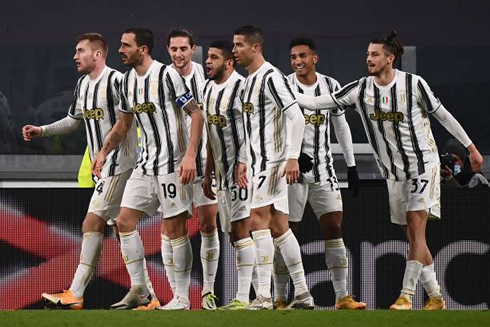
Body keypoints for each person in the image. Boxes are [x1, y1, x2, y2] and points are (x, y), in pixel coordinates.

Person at [294, 31, 483, 310]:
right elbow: (316, 103)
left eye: (375, 54)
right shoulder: (360, 89)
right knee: (411, 233)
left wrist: (471, 147)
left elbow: (442, 115)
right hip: (394, 173)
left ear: (390, 58)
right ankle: (436, 297)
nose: (368, 59)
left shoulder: (413, 84)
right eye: (368, 54)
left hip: (423, 164)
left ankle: (406, 296)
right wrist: (281, 93)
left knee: (416, 226)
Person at [22, 33, 140, 310]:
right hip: (104, 168)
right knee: (123, 228)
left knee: (92, 223)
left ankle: (76, 293)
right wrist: (42, 131)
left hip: (121, 164)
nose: (75, 56)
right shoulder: (83, 85)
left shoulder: (117, 82)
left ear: (98, 54)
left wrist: (106, 153)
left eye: (80, 51)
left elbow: (127, 123)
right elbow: (73, 121)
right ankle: (144, 291)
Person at [92, 27, 204, 311]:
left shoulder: (167, 76)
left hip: (172, 165)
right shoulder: (127, 81)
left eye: (125, 45)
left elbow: (196, 113)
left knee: (174, 228)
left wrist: (190, 156)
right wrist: (104, 152)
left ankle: (181, 298)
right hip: (145, 165)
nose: (120, 50)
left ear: (142, 49)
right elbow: (124, 124)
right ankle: (140, 289)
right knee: (123, 221)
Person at [271, 36, 366, 310]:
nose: (298, 61)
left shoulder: (330, 85)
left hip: (325, 171)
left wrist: (351, 165)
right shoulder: (284, 86)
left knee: (334, 227)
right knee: (287, 233)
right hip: (291, 174)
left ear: (315, 58)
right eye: (293, 57)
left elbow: (341, 126)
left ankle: (341, 296)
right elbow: (276, 127)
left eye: (302, 56)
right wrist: (292, 154)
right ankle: (279, 296)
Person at [232, 25, 314, 310]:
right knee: (280, 228)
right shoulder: (248, 81)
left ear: (255, 47)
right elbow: (250, 127)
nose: (235, 50)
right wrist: (243, 159)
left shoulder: (271, 77)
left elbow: (297, 117)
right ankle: (303, 293)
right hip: (257, 164)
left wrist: (292, 157)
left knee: (257, 220)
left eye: (239, 45)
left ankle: (264, 296)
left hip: (274, 163)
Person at [165, 28, 220, 310]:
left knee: (208, 223)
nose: (178, 54)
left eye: (183, 49)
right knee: (171, 227)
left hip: (204, 163)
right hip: (171, 165)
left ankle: (208, 292)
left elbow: (211, 120)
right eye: (173, 49)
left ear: (192, 49)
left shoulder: (205, 76)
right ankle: (177, 294)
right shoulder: (162, 78)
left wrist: (210, 164)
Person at [200, 40, 255, 310]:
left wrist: (243, 162)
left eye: (214, 57)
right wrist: (208, 171)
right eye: (208, 57)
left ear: (229, 63)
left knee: (242, 229)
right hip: (221, 175)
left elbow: (251, 128)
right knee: (233, 234)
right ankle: (258, 295)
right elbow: (211, 136)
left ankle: (245, 297)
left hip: (242, 172)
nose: (208, 61)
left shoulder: (242, 88)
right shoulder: (208, 89)